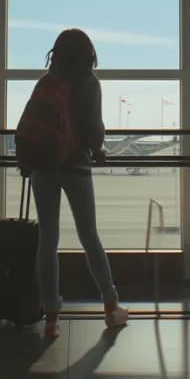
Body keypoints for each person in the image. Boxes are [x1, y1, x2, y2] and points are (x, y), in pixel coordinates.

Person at [30, 28, 128, 339]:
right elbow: (94, 130)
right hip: (75, 167)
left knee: (48, 240)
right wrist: (97, 150)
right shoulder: (89, 83)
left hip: (43, 167)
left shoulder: (47, 83)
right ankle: (111, 307)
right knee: (89, 237)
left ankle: (50, 318)